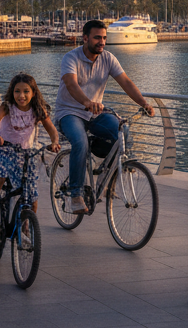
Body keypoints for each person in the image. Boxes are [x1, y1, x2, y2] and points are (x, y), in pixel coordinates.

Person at [53, 19, 155, 214]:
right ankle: (75, 194)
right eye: (97, 37)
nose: (102, 42)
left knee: (122, 131)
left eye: (104, 38)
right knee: (80, 142)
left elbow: (125, 82)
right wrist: (86, 102)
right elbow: (71, 85)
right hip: (70, 112)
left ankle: (107, 179)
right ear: (85, 38)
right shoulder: (70, 58)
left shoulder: (108, 58)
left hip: (95, 113)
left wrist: (144, 103)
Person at [0, 73, 61, 222]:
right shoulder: (7, 107)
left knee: (32, 197)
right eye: (17, 91)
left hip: (27, 153)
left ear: (33, 93)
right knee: (0, 174)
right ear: (12, 92)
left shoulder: (38, 109)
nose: (21, 95)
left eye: (26, 91)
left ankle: (27, 228)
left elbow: (51, 129)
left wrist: (55, 142)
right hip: (4, 148)